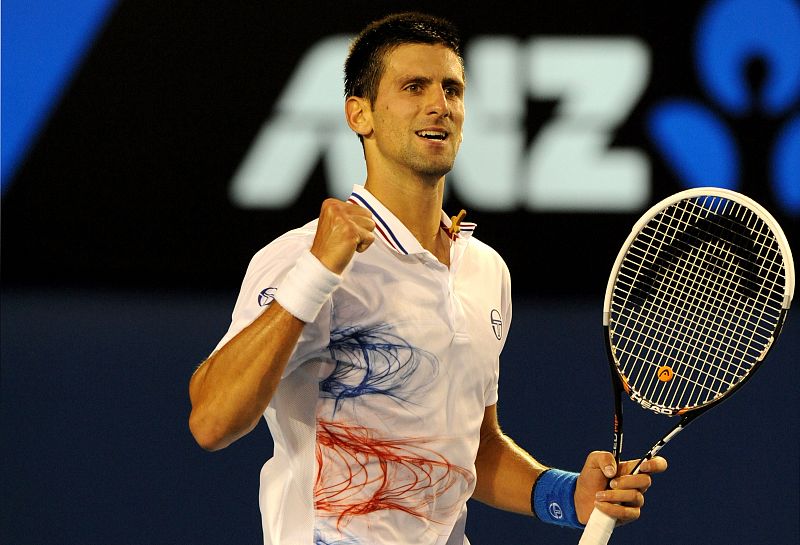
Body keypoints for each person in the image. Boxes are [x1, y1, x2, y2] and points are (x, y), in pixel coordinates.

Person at [189, 12, 667, 545]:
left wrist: (565, 495)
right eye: (413, 87)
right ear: (360, 114)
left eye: (452, 89)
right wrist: (316, 274)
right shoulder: (302, 257)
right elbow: (211, 422)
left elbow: (469, 449)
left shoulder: (485, 269)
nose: (440, 105)